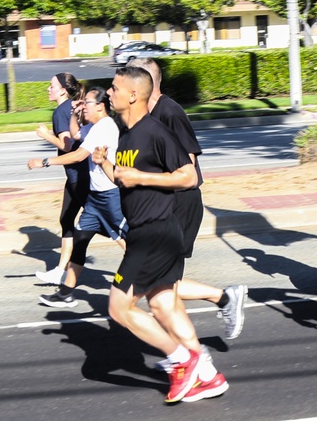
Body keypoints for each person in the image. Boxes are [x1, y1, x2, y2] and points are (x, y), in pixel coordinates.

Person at [105, 66, 228, 402]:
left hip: (155, 232)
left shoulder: (155, 131)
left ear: (133, 94)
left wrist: (142, 179)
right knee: (163, 305)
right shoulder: (126, 134)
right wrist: (107, 166)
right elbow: (127, 178)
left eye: (114, 88)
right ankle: (208, 375)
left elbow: (188, 176)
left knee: (119, 308)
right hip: (147, 230)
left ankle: (182, 361)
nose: (108, 93)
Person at [127, 58, 247, 341]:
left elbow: (188, 170)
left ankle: (190, 352)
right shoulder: (145, 114)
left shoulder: (170, 113)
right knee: (160, 285)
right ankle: (216, 310)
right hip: (161, 206)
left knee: (157, 286)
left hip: (179, 204)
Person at [29, 87, 126, 308]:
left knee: (130, 243)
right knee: (80, 242)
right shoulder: (94, 126)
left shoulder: (105, 128)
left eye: (88, 103)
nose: (84, 106)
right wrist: (74, 113)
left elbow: (78, 155)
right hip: (95, 199)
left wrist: (44, 162)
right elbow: (75, 135)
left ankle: (153, 278)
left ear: (101, 106)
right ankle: (66, 294)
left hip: (110, 196)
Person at [34, 73, 90, 285]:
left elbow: (66, 145)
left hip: (79, 176)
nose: (48, 89)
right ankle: (60, 271)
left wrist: (45, 135)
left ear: (63, 90)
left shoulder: (60, 111)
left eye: (51, 86)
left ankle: (141, 260)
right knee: (67, 220)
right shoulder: (71, 107)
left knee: (107, 223)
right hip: (75, 174)